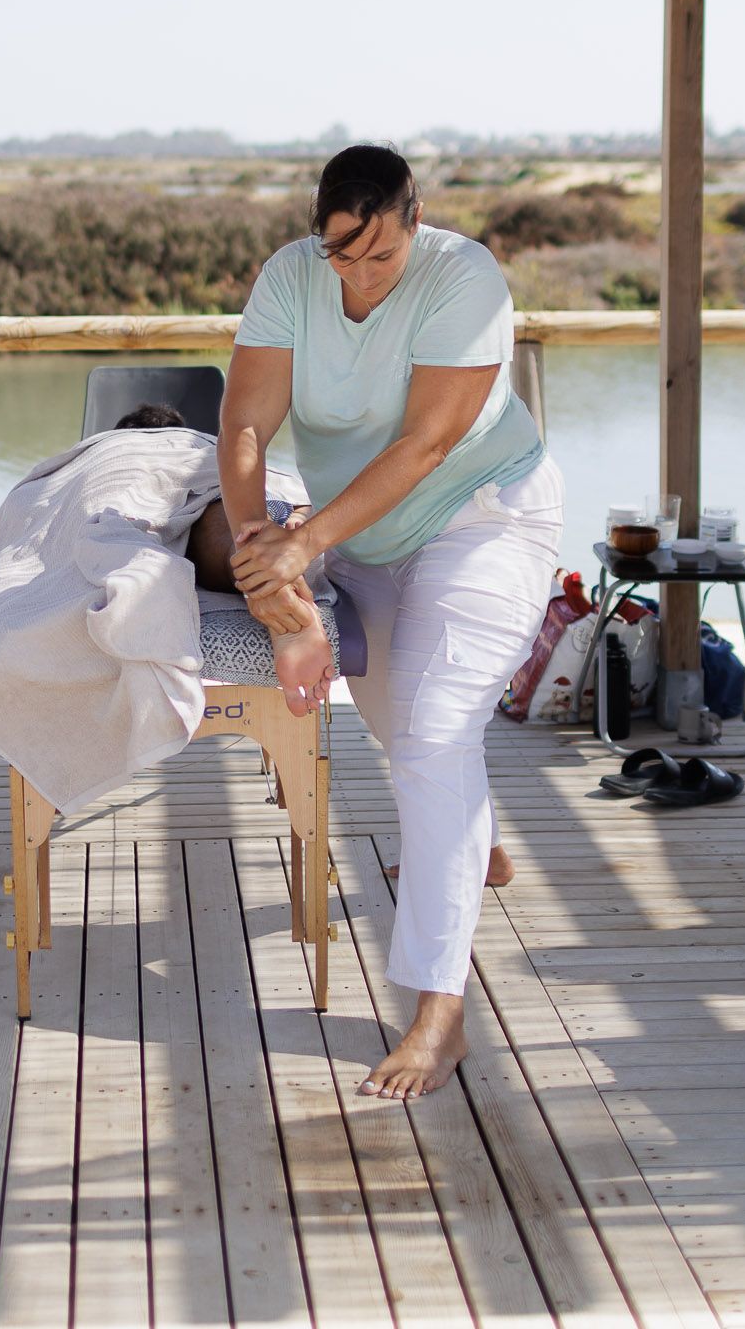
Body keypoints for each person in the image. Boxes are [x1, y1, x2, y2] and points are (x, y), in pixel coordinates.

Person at [221, 144, 561, 1100]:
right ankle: (475, 842)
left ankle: (438, 1012)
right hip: (362, 534)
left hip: (482, 514)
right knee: (401, 729)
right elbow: (244, 425)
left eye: (380, 254)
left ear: (416, 219)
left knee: (437, 730)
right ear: (317, 233)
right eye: (342, 255)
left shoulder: (465, 277)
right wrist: (261, 554)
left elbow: (428, 442)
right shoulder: (291, 278)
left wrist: (301, 544)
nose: (361, 275)